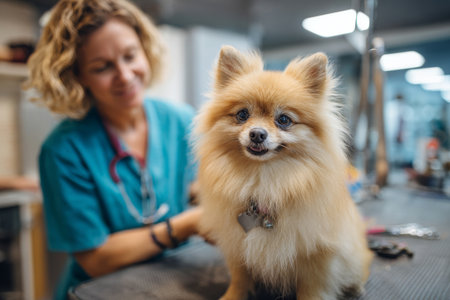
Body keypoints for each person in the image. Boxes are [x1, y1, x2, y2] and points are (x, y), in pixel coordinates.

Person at [24, 0, 202, 299]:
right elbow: (96, 260)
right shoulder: (63, 150)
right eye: (102, 67)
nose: (125, 75)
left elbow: (199, 190)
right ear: (78, 76)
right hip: (101, 291)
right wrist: (185, 226)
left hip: (173, 280)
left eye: (130, 56)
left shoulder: (181, 120)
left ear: (145, 49)